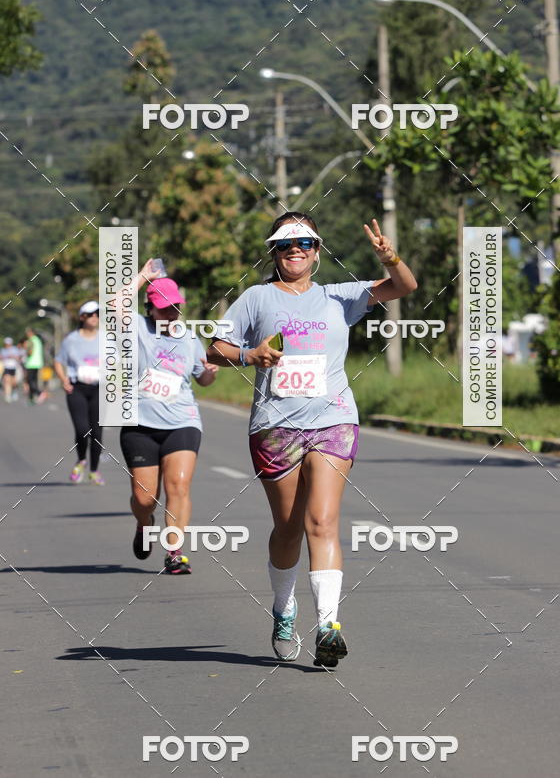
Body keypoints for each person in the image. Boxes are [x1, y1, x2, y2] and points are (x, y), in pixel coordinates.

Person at [208, 212, 417, 667]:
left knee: (322, 520)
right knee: (289, 528)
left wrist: (390, 257)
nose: (295, 250)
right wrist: (250, 354)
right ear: (274, 252)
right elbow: (216, 349)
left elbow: (404, 286)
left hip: (333, 420)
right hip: (275, 425)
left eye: (304, 242)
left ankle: (328, 626)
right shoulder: (255, 298)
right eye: (285, 244)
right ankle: (284, 611)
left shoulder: (338, 296)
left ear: (317, 250)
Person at [120, 261, 218, 575]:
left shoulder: (189, 338)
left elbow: (202, 379)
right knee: (144, 498)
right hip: (140, 424)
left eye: (175, 308)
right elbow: (115, 307)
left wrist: (209, 374)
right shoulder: (137, 329)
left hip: (182, 421)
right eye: (163, 309)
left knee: (179, 485)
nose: (170, 314)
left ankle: (175, 552)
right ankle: (144, 523)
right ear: (149, 308)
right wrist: (143, 276)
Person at [54, 301, 104, 484]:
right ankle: (81, 459)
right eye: (91, 314)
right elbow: (58, 361)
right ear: (82, 317)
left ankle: (94, 470)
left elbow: (115, 361)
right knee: (82, 429)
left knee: (97, 433)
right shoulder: (71, 339)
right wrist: (63, 379)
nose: (95, 317)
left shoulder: (106, 338)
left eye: (98, 314)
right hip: (77, 388)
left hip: (99, 388)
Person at [24, 327, 44, 404]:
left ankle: (39, 393)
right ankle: (31, 398)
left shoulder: (31, 340)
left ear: (31, 333)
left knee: (30, 381)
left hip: (31, 363)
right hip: (37, 363)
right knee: (33, 381)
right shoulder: (37, 340)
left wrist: (26, 349)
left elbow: (30, 352)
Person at [1, 337, 21, 403]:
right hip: (6, 367)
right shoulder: (3, 350)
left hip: (14, 367)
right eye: (6, 344)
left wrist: (13, 356)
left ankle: (14, 391)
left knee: (13, 382)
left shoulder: (15, 349)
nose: (7, 345)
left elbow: (18, 358)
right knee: (7, 381)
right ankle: (8, 395)